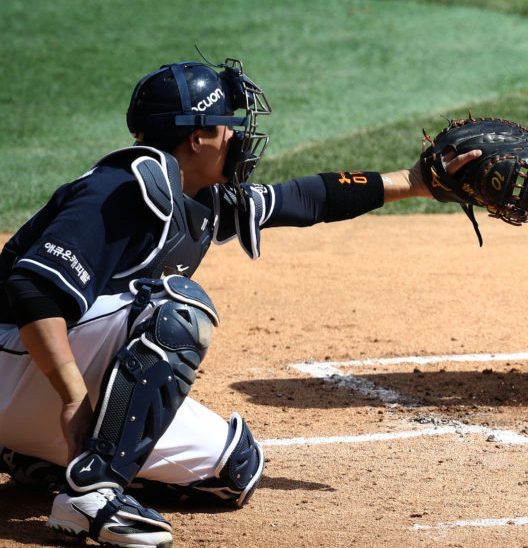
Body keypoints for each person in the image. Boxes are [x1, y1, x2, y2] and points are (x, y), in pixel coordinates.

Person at [0, 57, 476, 547]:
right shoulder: (122, 187)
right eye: (229, 126)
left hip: (42, 394)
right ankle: (92, 493)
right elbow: (32, 289)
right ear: (198, 138)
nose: (239, 138)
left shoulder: (198, 197)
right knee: (177, 310)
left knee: (233, 468)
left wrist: (415, 182)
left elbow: (305, 199)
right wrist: (74, 395)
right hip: (21, 365)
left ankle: (38, 460)